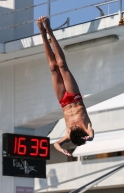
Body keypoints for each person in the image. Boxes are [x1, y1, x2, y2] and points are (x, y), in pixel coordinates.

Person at [36, 16, 94, 156]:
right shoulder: (86, 129)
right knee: (62, 65)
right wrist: (89, 138)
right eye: (75, 128)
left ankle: (42, 33)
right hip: (75, 97)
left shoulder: (69, 135)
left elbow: (56, 143)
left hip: (63, 101)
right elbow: (91, 135)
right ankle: (49, 30)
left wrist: (61, 149)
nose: (73, 127)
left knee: (52, 67)